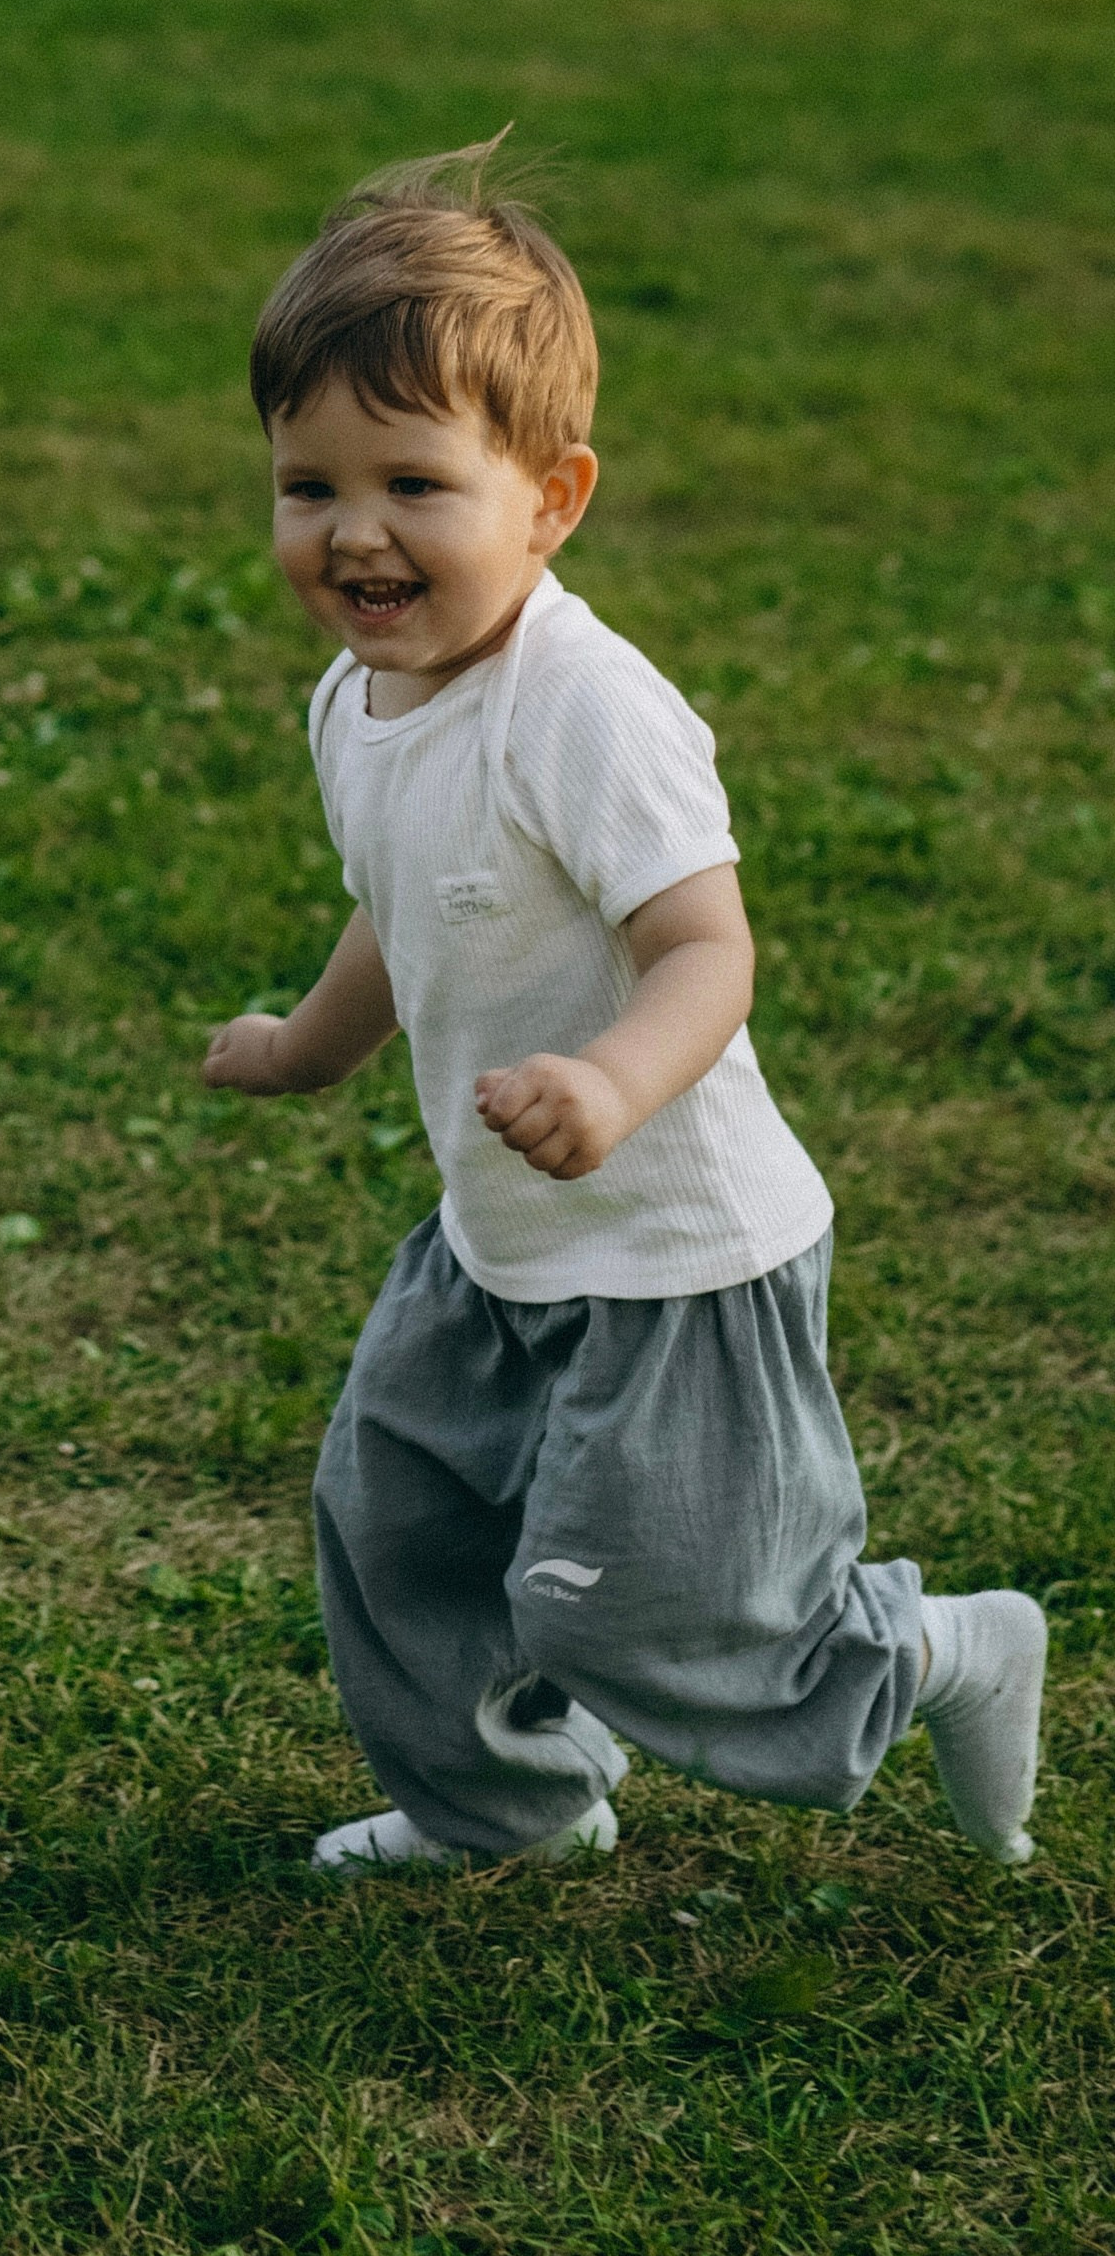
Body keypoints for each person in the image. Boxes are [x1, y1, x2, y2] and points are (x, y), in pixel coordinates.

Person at [202, 143, 1046, 1871]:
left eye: (415, 485)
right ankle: (505, 1812)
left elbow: (708, 953)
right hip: (498, 1237)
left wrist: (608, 1086)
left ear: (552, 498)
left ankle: (938, 1651)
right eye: (310, 484)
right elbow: (406, 904)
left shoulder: (583, 710)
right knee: (400, 1530)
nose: (355, 531)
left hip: (672, 1251)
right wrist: (306, 1046)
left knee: (651, 1615)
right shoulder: (359, 700)